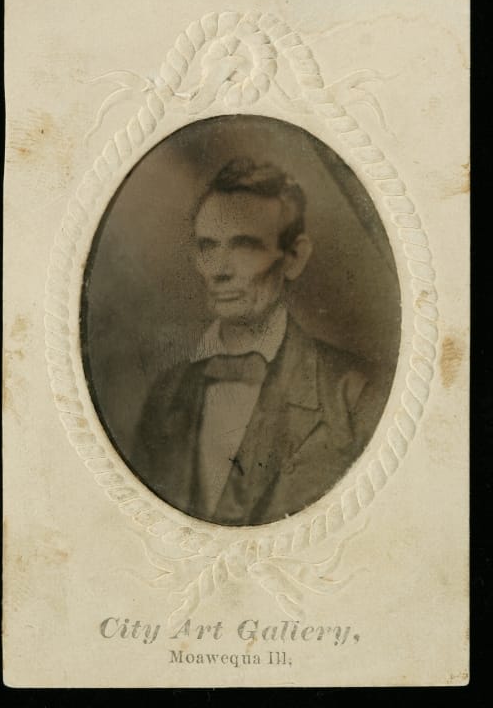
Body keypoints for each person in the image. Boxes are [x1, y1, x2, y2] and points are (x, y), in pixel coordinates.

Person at [129, 158, 390, 525]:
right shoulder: (165, 396)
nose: (220, 271)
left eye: (244, 246)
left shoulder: (354, 395)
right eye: (208, 246)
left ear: (294, 258)